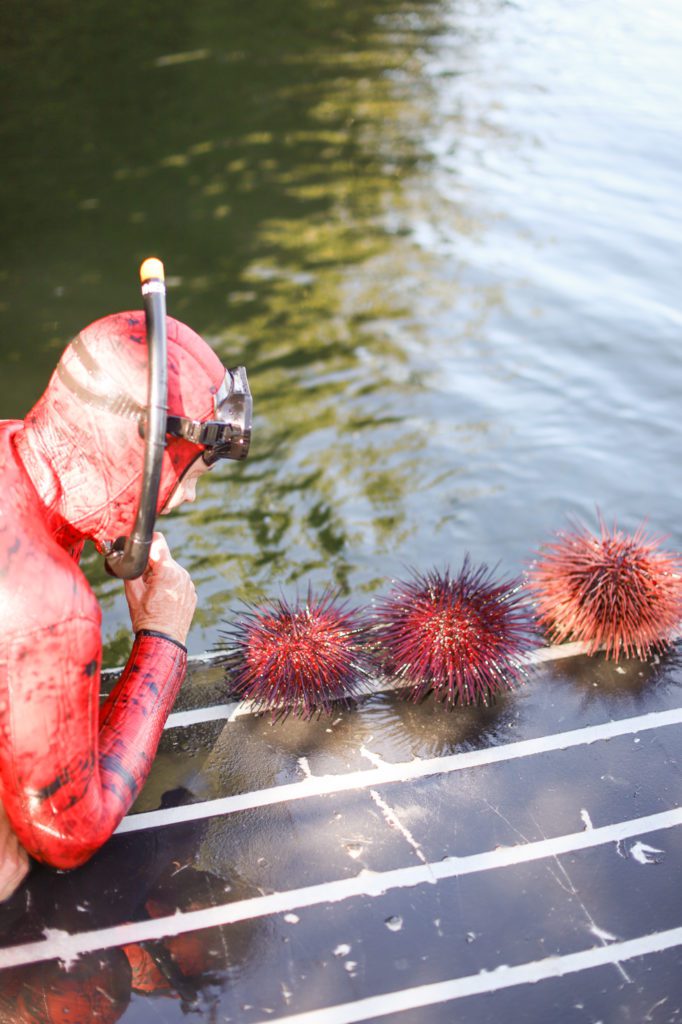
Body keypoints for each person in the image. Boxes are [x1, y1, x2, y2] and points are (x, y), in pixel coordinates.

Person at [0, 309, 249, 901]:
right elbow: (67, 834)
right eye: (188, 470)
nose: (187, 496)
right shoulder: (51, 610)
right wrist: (162, 640)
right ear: (129, 455)